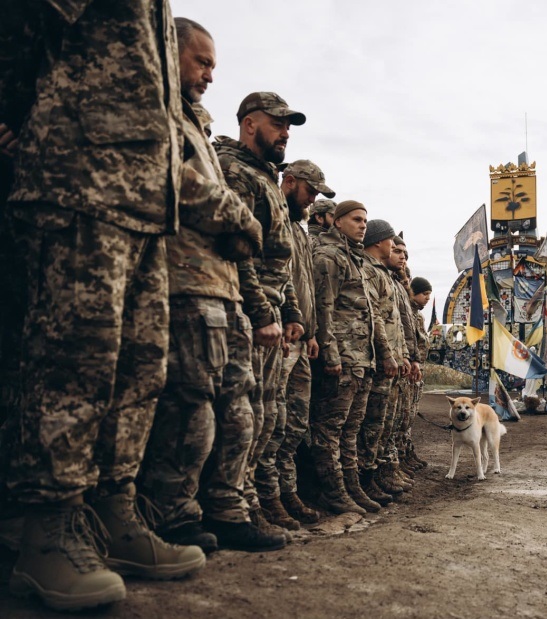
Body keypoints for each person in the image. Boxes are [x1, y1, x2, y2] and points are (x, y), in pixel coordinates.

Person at [3, 1, 206, 610]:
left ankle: (113, 513)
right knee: (75, 362)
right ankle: (48, 528)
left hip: (146, 204)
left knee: (140, 370)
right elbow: (21, 20)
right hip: (80, 179)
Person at [138, 17, 286, 555]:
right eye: (202, 62)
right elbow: (187, 194)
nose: (209, 75)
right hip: (189, 285)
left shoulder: (195, 126)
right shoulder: (165, 118)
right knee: (192, 405)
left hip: (225, 295)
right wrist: (239, 220)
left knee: (239, 408)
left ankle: (225, 507)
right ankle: (175, 514)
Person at [214, 91, 306, 535]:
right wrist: (263, 310)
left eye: (288, 126)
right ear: (250, 124)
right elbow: (239, 251)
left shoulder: (265, 177)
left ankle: (248, 500)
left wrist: (288, 310)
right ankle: (229, 506)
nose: (285, 133)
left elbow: (278, 258)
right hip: (247, 315)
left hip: (269, 318)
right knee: (241, 415)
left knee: (267, 416)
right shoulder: (235, 172)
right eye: (278, 123)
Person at [260, 159, 335, 530]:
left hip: (300, 338)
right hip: (276, 334)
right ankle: (266, 496)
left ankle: (286, 492)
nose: (311, 203)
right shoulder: (274, 217)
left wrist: (312, 332)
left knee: (293, 424)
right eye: (310, 192)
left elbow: (305, 289)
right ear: (289, 182)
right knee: (269, 422)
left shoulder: (298, 230)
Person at [309, 200, 382, 515]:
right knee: (330, 428)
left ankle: (351, 485)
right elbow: (323, 307)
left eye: (365, 219)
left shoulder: (357, 261)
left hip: (362, 360)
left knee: (351, 429)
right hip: (341, 358)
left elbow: (369, 315)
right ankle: (332, 490)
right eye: (355, 219)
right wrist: (329, 352)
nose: (363, 224)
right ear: (337, 222)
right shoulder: (328, 257)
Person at [358, 220, 405, 503]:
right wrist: (387, 354)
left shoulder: (384, 274)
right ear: (379, 242)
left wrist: (402, 356)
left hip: (389, 360)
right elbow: (374, 317)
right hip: (374, 359)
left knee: (383, 423)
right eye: (392, 242)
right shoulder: (368, 270)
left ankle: (374, 474)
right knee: (371, 424)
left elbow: (395, 324)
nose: (396, 248)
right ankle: (365, 478)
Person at [386, 237, 421, 491]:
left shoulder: (396, 287)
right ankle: (376, 472)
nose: (402, 257)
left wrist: (412, 357)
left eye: (405, 254)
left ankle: (391, 465)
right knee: (381, 423)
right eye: (397, 251)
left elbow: (405, 329)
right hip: (379, 360)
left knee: (397, 420)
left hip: (401, 360)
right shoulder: (380, 277)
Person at [405, 276, 434, 471]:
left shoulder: (418, 316)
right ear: (412, 292)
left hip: (418, 371)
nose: (427, 299)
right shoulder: (407, 312)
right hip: (408, 371)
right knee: (403, 415)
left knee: (410, 415)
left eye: (429, 295)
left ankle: (406, 450)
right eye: (424, 294)